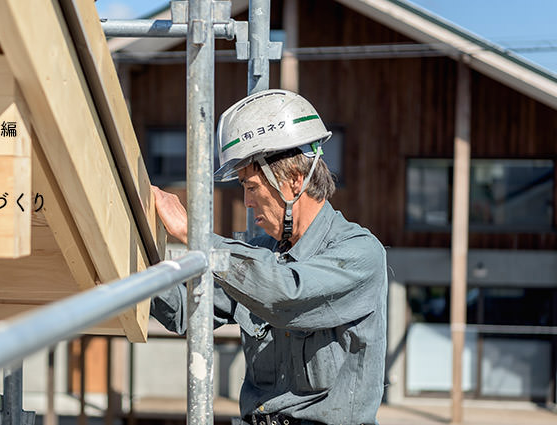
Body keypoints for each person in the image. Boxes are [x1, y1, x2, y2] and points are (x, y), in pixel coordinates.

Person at [150, 89, 388, 425]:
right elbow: (185, 310)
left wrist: (196, 236)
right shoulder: (261, 254)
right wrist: (131, 260)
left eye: (251, 187)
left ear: (294, 181)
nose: (247, 202)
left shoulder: (359, 253)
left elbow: (284, 294)